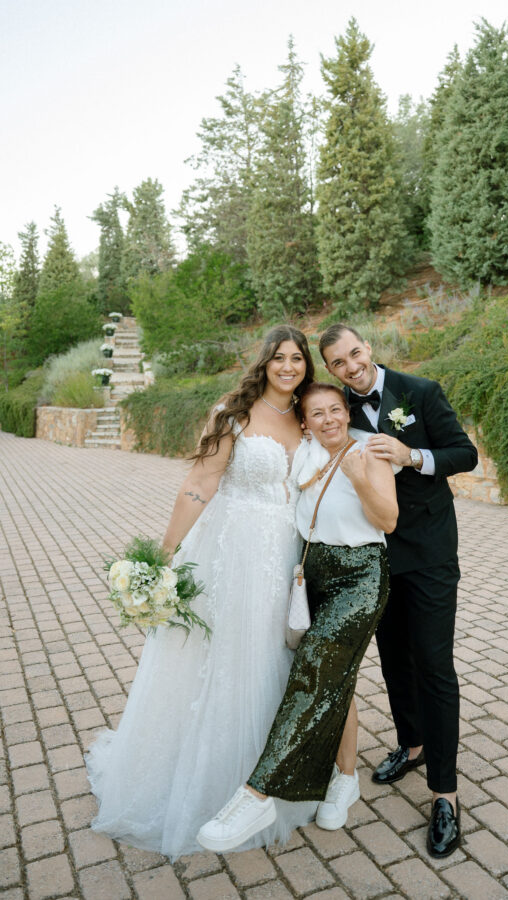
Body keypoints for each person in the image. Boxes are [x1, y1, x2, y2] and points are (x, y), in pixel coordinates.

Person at [86, 325, 319, 859]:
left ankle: (269, 777)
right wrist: (164, 552)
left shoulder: (308, 416)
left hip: (285, 555)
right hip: (231, 552)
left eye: (297, 358)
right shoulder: (233, 414)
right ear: (264, 362)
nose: (288, 367)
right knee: (218, 657)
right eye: (279, 358)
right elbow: (199, 483)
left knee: (272, 656)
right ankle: (206, 783)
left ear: (306, 365)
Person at [196, 382, 399, 852]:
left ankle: (258, 794)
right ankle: (344, 777)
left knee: (314, 669)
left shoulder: (369, 451)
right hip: (312, 573)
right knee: (333, 674)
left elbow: (388, 520)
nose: (329, 419)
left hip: (360, 576)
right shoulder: (306, 451)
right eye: (317, 413)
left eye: (335, 410)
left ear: (347, 412)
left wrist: (359, 476)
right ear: (304, 423)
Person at [318, 323, 478, 859]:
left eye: (355, 354)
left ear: (368, 348)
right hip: (375, 555)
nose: (351, 368)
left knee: (433, 664)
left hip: (429, 551)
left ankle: (444, 795)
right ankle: (411, 745)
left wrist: (413, 456)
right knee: (392, 659)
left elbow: (464, 454)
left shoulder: (420, 392)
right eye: (339, 363)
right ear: (331, 370)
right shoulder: (336, 408)